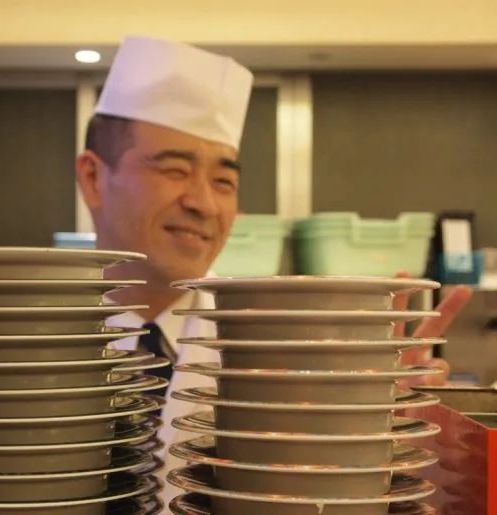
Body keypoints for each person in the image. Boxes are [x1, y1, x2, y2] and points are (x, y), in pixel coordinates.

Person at [76, 35, 473, 504]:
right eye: (174, 170)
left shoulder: (288, 345)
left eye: (224, 181)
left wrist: (376, 428)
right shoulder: (16, 341)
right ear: (93, 178)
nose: (205, 204)